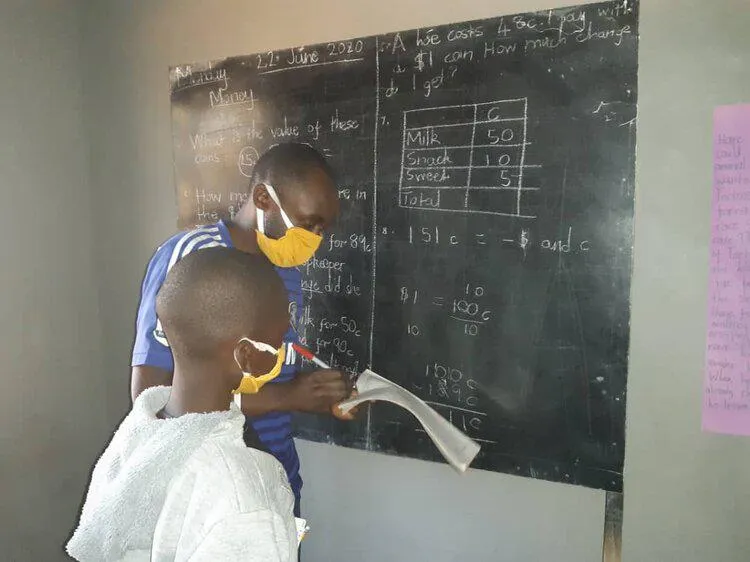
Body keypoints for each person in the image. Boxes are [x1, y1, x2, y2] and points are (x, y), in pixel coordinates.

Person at [131, 142, 353, 516]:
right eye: (308, 223)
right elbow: (152, 397)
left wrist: (320, 394)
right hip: (213, 487)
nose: (315, 241)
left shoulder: (286, 271)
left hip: (274, 475)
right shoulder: (194, 258)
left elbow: (257, 373)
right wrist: (289, 398)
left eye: (322, 229)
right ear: (264, 198)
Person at [68, 248, 299, 561]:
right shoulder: (240, 492)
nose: (284, 351)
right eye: (278, 340)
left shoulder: (142, 427)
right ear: (246, 354)